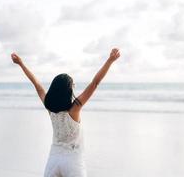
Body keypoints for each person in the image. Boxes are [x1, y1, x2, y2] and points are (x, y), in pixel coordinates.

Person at [11, 48, 120, 177]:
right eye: (73, 85)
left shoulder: (49, 107)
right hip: (73, 162)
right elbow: (95, 83)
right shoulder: (75, 109)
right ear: (68, 91)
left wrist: (21, 64)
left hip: (54, 160)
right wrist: (110, 60)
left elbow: (36, 83)